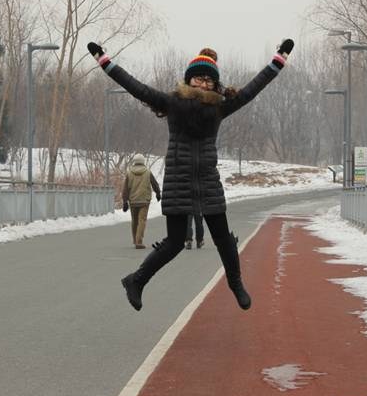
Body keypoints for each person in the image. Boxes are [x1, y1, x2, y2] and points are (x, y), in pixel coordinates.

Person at [87, 38, 294, 311]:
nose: (203, 84)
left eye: (208, 81)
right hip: (179, 180)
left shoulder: (219, 107)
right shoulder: (172, 103)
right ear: (189, 80)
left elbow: (251, 91)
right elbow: (135, 87)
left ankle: (235, 283)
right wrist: (105, 61)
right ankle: (136, 281)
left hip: (208, 180)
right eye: (198, 79)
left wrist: (277, 61)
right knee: (174, 242)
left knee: (223, 238)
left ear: (214, 84)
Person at [121, 153, 161, 249]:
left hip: (133, 200)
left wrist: (125, 201)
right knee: (142, 220)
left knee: (134, 221)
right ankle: (139, 241)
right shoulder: (147, 172)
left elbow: (125, 188)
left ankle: (135, 240)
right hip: (144, 200)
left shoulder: (129, 173)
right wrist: (158, 193)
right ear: (143, 162)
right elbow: (154, 184)